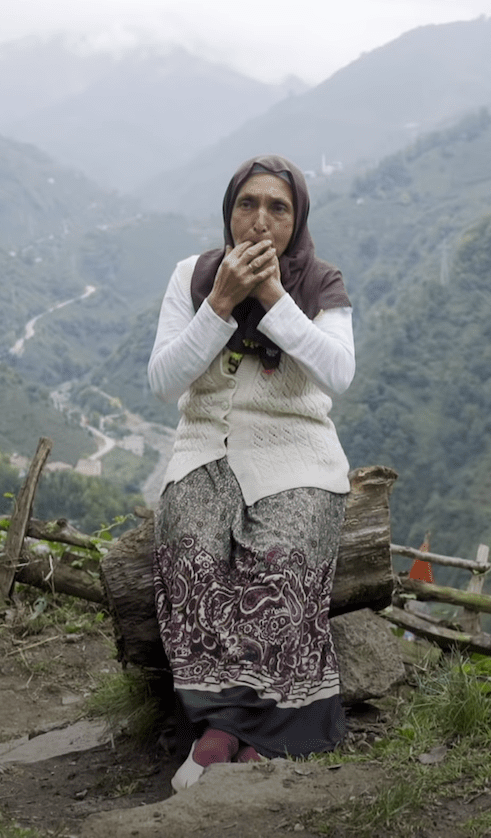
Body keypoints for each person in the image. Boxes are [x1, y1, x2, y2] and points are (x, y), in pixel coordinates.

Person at [147, 154, 355, 792]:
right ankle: (224, 726)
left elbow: (338, 374)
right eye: (247, 204)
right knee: (191, 553)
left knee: (282, 560)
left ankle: (244, 732)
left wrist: (270, 298)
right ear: (229, 212)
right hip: (207, 445)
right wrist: (220, 303)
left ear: (297, 220)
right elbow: (163, 381)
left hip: (298, 449)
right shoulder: (193, 276)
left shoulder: (320, 281)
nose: (260, 220)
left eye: (278, 208)